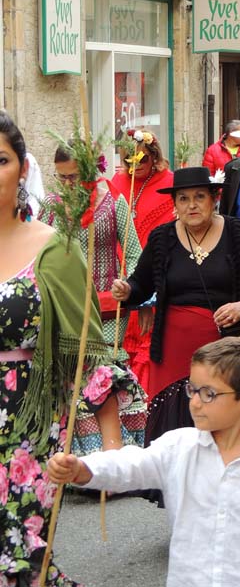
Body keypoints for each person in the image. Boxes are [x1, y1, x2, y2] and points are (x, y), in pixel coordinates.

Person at [47, 337, 240, 587]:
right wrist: (84, 469)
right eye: (192, 390)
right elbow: (132, 464)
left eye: (208, 394)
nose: (194, 402)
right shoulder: (178, 447)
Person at [0, 112, 121, 587]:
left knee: (19, 565)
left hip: (21, 437)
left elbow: (88, 356)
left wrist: (112, 458)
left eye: (0, 159)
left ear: (23, 169)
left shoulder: (54, 250)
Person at [111, 167, 240, 451]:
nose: (191, 205)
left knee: (225, 417)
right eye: (183, 199)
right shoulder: (162, 238)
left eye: (199, 197)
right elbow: (141, 285)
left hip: (226, 349)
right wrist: (127, 291)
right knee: (179, 427)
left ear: (214, 198)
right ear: (174, 204)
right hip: (175, 353)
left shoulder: (237, 233)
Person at [39, 143, 147, 456]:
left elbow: (134, 254)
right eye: (62, 178)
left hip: (107, 310)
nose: (68, 184)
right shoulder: (51, 205)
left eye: (73, 176)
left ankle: (114, 458)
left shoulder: (115, 201)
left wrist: (127, 287)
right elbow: (39, 255)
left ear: (88, 171)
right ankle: (76, 458)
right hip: (65, 308)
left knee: (104, 377)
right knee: (73, 378)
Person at [111, 129, 175, 391]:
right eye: (129, 162)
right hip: (123, 280)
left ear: (154, 156)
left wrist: (149, 297)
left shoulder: (168, 184)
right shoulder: (116, 183)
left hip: (154, 279)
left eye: (142, 160)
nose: (134, 167)